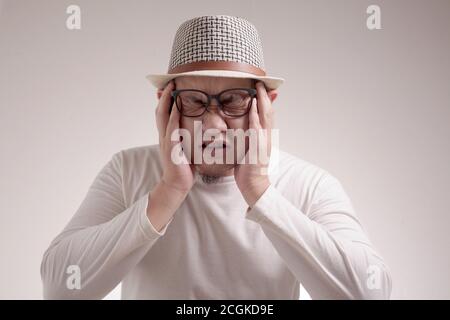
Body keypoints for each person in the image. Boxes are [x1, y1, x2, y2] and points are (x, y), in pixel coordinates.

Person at [41, 15, 392, 299]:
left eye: (233, 100)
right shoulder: (127, 170)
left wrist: (259, 190)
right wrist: (168, 190)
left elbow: (368, 294)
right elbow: (60, 289)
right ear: (167, 102)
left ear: (265, 105)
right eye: (194, 100)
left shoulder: (310, 184)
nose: (212, 124)